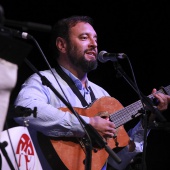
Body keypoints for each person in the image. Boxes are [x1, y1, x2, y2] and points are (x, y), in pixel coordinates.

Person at [13, 15, 170, 170]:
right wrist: (87, 124)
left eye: (95, 38)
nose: (94, 44)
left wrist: (146, 124)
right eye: (84, 38)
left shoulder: (102, 95)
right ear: (62, 45)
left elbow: (118, 162)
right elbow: (23, 110)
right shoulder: (42, 80)